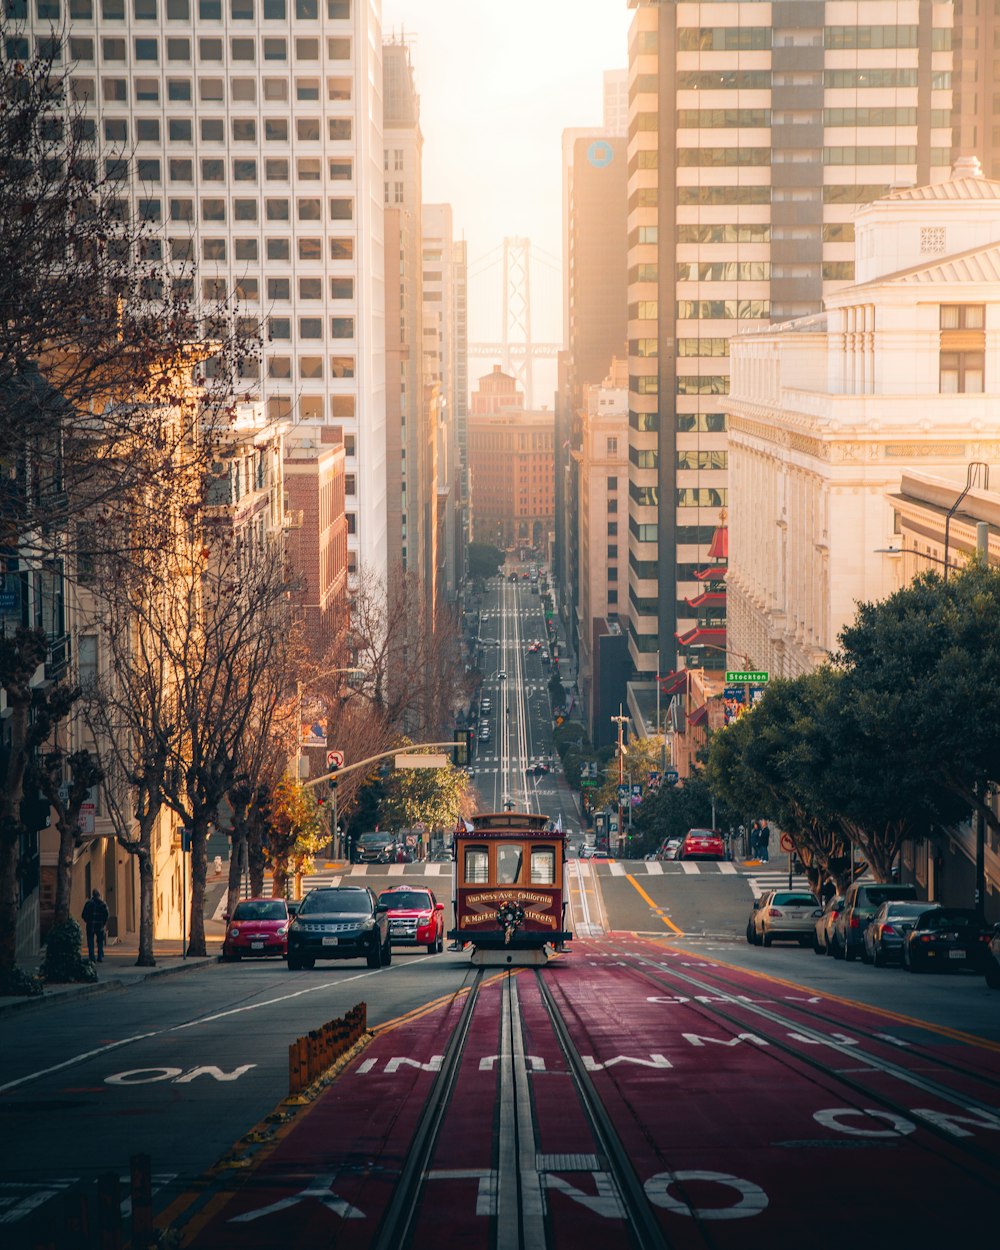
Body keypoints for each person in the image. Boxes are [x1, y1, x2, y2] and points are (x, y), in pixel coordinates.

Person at [82, 888, 109, 962]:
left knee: (90, 941)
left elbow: (83, 914)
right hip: (100, 926)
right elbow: (107, 915)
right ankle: (99, 956)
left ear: (92, 895)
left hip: (90, 925)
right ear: (99, 895)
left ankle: (92, 957)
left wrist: (87, 920)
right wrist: (103, 922)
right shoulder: (103, 904)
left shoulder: (88, 903)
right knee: (100, 942)